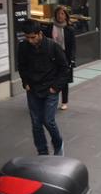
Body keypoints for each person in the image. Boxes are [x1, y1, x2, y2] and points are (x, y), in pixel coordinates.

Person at [17, 20, 69, 156]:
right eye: (27, 37)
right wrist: (25, 83)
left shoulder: (53, 47)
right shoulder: (23, 47)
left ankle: (58, 144)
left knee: (48, 120)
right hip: (33, 88)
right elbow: (21, 66)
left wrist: (55, 88)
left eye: (33, 37)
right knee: (36, 123)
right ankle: (42, 152)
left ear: (40, 34)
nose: (30, 41)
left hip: (50, 88)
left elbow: (64, 69)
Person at [44, 5, 76, 110]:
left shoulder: (69, 29)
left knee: (64, 79)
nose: (60, 16)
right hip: (52, 55)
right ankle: (51, 99)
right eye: (58, 14)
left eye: (62, 14)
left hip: (64, 56)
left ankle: (64, 101)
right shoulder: (50, 27)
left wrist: (72, 59)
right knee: (52, 77)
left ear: (66, 16)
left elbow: (72, 46)